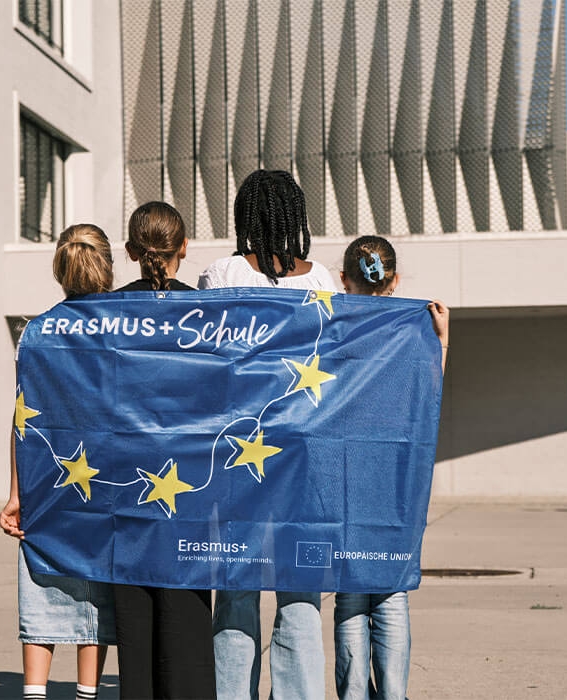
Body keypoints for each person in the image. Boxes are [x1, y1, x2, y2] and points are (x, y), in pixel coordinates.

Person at [198, 169, 339, 700]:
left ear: (244, 216)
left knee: (236, 587)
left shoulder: (222, 273)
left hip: (238, 452)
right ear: (295, 217)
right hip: (304, 453)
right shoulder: (320, 278)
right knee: (300, 591)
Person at [0, 224, 116, 700]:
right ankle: (88, 691)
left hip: (47, 478)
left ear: (59, 269)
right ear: (107, 266)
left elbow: (22, 415)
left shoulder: (35, 332)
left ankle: (35, 690)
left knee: (41, 580)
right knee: (97, 587)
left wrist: (15, 493)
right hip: (110, 477)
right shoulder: (122, 327)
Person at [334, 234, 449, 700]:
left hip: (340, 477)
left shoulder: (334, 329)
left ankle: (354, 694)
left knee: (350, 594)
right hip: (396, 478)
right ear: (396, 279)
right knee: (392, 590)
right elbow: (432, 395)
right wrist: (442, 339)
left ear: (344, 280)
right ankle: (395, 694)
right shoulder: (415, 331)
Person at [112, 200, 217, 699]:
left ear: (131, 251)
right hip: (192, 486)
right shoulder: (210, 319)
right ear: (184, 247)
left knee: (134, 623)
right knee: (188, 618)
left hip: (125, 484)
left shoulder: (103, 317)